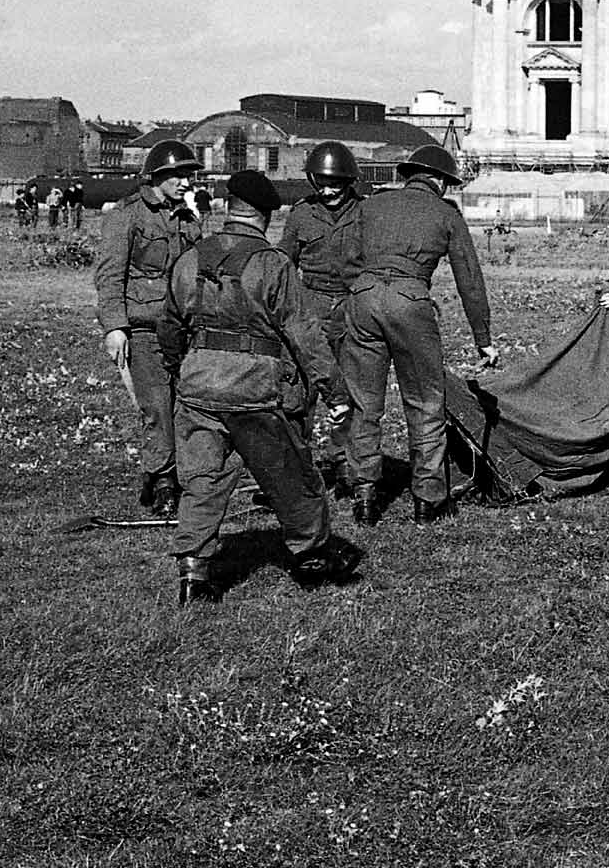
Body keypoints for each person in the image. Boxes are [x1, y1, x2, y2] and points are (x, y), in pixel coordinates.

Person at [156, 169, 362, 606]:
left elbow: (169, 329)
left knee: (203, 481)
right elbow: (305, 335)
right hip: (253, 390)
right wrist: (335, 393)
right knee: (291, 475)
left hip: (197, 386)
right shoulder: (273, 264)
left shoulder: (190, 259)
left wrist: (183, 369)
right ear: (264, 215)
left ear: (230, 210)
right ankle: (311, 558)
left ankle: (194, 571)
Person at [343, 145, 496, 524]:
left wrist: (361, 292)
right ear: (441, 182)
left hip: (362, 300)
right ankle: (427, 500)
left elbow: (345, 258)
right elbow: (470, 280)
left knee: (365, 403)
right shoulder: (446, 214)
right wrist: (483, 337)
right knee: (425, 401)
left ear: (408, 174)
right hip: (412, 303)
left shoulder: (370, 205)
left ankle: (364, 495)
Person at [96, 140, 205, 517]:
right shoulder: (127, 216)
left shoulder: (188, 218)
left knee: (187, 404)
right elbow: (110, 276)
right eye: (178, 175)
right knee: (157, 407)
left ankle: (188, 476)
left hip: (185, 328)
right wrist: (114, 327)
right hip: (144, 329)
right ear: (157, 176)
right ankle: (162, 481)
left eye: (188, 175)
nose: (185, 181)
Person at [279, 141, 368, 519]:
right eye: (322, 183)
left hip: (350, 307)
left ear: (349, 181)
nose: (328, 190)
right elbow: (284, 262)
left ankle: (344, 463)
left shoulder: (366, 213)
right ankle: (297, 472)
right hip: (309, 308)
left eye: (336, 183)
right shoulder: (301, 215)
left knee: (348, 389)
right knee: (299, 393)